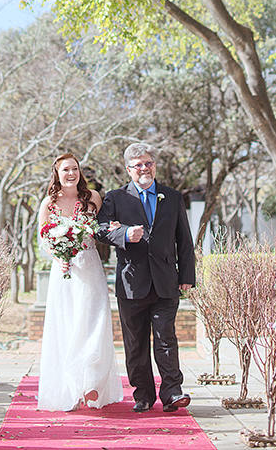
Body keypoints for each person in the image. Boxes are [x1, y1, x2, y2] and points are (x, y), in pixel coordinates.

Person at [96, 142, 195, 414]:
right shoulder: (116, 198)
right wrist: (125, 234)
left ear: (154, 165)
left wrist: (187, 275)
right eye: (138, 164)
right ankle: (143, 395)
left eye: (148, 163)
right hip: (131, 283)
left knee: (166, 339)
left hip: (165, 281)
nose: (144, 168)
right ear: (129, 169)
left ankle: (172, 392)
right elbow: (100, 230)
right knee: (135, 343)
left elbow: (184, 240)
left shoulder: (172, 197)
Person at [37, 152, 122, 412]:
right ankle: (71, 387)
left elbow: (102, 228)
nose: (71, 174)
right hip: (64, 272)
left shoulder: (93, 198)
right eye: (65, 170)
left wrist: (112, 227)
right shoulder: (48, 203)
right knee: (67, 324)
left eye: (74, 168)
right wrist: (58, 255)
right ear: (57, 174)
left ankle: (92, 382)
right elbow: (43, 239)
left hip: (90, 266)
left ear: (80, 171)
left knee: (94, 321)